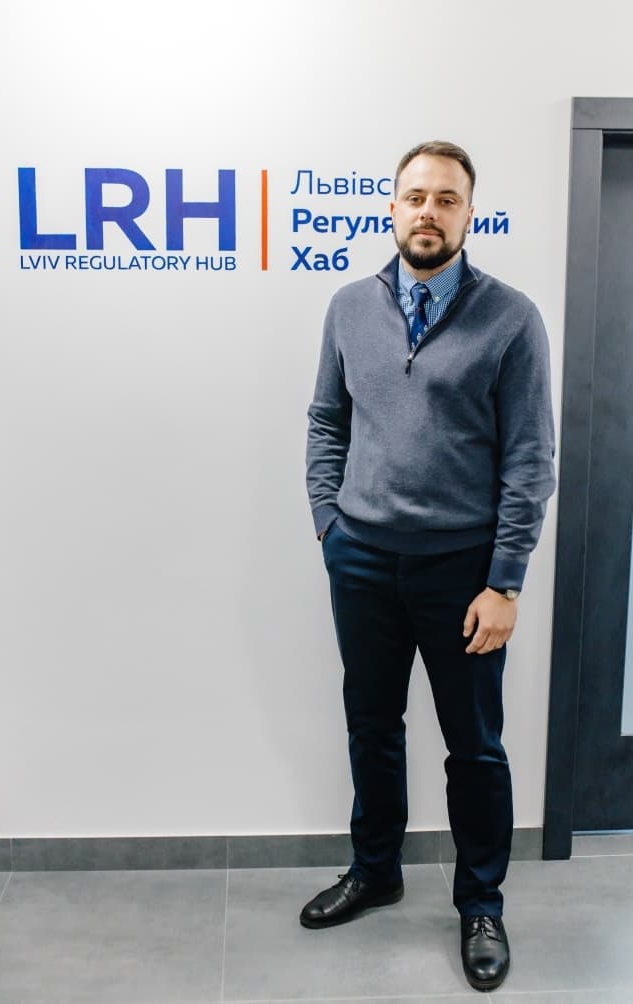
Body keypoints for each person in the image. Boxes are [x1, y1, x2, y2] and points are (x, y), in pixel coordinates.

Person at [303, 140, 555, 993]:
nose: (428, 212)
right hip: (363, 561)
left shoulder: (511, 318)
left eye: (447, 199)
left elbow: (530, 458)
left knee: (474, 747)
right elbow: (326, 421)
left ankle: (481, 903)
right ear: (392, 207)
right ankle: (376, 870)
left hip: (463, 572)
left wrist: (505, 580)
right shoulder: (348, 308)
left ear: (469, 214)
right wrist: (329, 525)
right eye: (415, 196)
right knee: (372, 727)